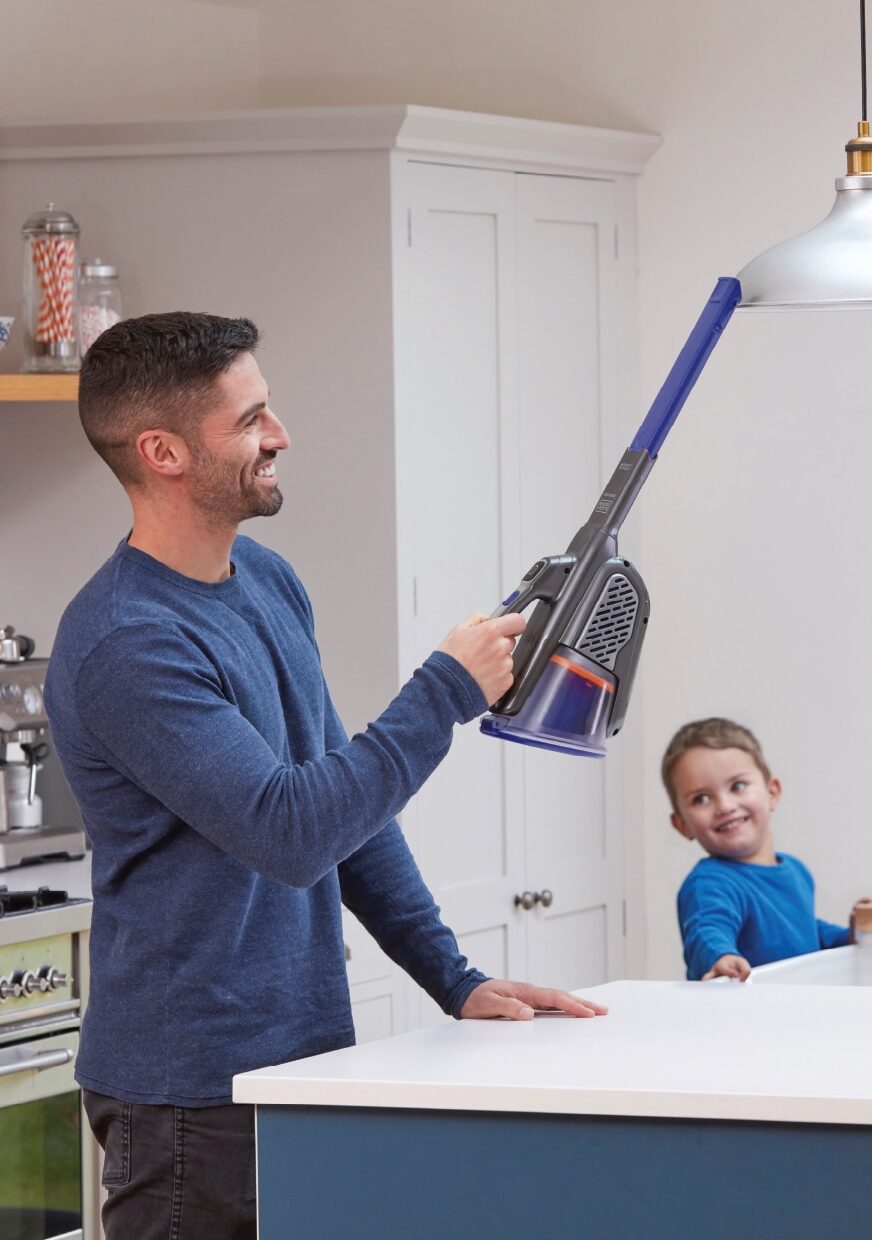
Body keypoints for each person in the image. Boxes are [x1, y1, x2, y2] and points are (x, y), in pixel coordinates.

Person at [45, 312, 607, 1240]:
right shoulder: (129, 642)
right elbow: (290, 829)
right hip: (190, 1096)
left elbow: (342, 810)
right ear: (164, 451)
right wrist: (444, 693)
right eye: (250, 418)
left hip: (302, 1063)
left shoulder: (267, 579)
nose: (281, 434)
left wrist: (453, 978)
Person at [662, 716, 865, 982]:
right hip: (743, 1017)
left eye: (737, 786)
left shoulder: (795, 870)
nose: (724, 805)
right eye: (701, 798)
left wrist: (850, 936)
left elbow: (803, 931)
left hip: (797, 1012)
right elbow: (706, 929)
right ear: (682, 825)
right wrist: (720, 957)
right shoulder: (709, 883)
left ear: (772, 793)